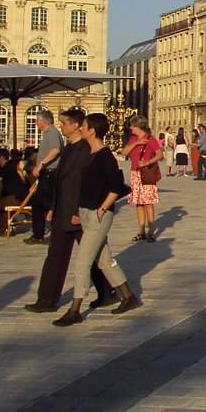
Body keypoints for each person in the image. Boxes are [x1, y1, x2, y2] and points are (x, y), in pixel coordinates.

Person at [52, 113, 140, 327]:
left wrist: (102, 208)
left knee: (82, 262)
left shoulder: (104, 156)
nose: (80, 128)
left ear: (92, 130)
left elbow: (116, 187)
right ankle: (128, 296)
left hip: (98, 215)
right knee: (103, 259)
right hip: (86, 213)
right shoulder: (89, 153)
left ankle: (75, 310)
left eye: (83, 126)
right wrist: (78, 211)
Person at [24, 108, 114, 314]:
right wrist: (53, 208)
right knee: (55, 255)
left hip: (78, 212)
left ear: (75, 125)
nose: (61, 127)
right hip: (62, 210)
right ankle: (47, 298)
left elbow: (86, 184)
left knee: (94, 255)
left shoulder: (85, 150)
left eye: (64, 123)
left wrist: (79, 211)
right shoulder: (69, 149)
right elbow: (61, 183)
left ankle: (109, 291)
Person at [122, 115, 163, 243]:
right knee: (138, 203)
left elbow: (160, 154)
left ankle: (151, 230)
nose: (130, 128)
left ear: (138, 126)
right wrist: (136, 143)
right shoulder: (133, 139)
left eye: (132, 126)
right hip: (135, 173)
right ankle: (141, 230)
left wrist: (147, 162)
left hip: (146, 174)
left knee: (148, 202)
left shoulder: (150, 139)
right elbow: (124, 152)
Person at [27, 109, 63, 244]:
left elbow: (55, 150)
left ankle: (56, 235)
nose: (36, 123)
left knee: (49, 204)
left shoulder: (53, 133)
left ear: (43, 121)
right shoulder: (48, 133)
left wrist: (40, 164)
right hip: (45, 173)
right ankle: (38, 234)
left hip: (50, 172)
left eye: (37, 120)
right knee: (37, 203)